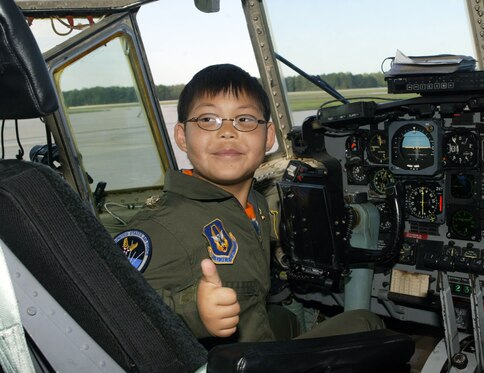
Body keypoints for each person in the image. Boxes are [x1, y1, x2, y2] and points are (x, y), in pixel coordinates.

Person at [114, 64, 385, 344]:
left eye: (244, 119)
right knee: (366, 322)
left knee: (287, 318)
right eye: (208, 119)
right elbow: (116, 305)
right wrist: (193, 311)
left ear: (268, 137)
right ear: (182, 136)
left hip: (253, 334)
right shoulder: (162, 226)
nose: (228, 132)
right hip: (240, 372)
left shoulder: (255, 201)